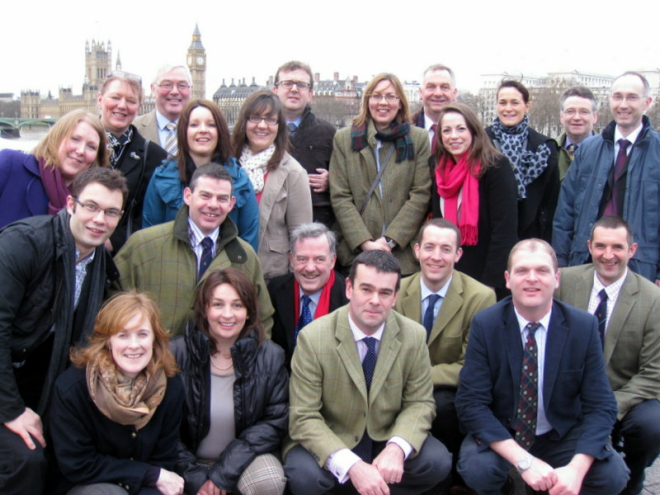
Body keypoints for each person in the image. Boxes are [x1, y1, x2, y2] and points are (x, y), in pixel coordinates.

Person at [455, 239, 629, 495]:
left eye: (542, 271)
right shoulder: (486, 324)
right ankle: (506, 486)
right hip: (505, 430)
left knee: (612, 475)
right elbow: (471, 403)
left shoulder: (583, 326)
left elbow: (601, 405)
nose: (532, 279)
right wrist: (524, 462)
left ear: (557, 278)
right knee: (478, 468)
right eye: (522, 271)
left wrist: (576, 471)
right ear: (507, 278)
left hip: (560, 432)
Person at [0, 168, 127, 495]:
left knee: (70, 455)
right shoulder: (23, 244)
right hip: (8, 381)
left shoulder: (100, 266)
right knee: (26, 461)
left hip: (43, 379)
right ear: (70, 204)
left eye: (111, 212)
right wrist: (11, 410)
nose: (100, 219)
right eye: (91, 207)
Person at [283, 250, 451, 495]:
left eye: (385, 293)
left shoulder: (413, 336)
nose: (375, 300)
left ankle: (378, 489)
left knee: (437, 461)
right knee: (304, 475)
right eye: (366, 289)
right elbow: (303, 417)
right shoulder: (314, 338)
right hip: (333, 436)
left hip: (384, 437)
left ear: (395, 297)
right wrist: (352, 466)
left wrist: (396, 448)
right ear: (349, 288)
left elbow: (420, 403)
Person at [555, 216, 660, 495]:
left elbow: (654, 373)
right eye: (600, 246)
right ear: (589, 246)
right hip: (570, 393)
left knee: (653, 423)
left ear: (632, 250)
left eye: (617, 247)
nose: (608, 255)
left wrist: (610, 406)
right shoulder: (563, 281)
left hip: (623, 394)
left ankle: (634, 477)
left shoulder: (652, 299)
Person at [115, 163, 274, 337]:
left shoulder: (244, 256)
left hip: (220, 362)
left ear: (231, 204)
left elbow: (262, 319)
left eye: (222, 198)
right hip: (154, 359)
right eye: (205, 196)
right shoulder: (144, 245)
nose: (213, 205)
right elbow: (114, 303)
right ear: (188, 196)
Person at [49, 292, 184, 495]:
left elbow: (164, 457)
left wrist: (150, 477)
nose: (134, 345)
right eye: (123, 335)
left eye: (142, 334)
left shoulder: (170, 386)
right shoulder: (73, 389)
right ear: (108, 341)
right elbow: (78, 464)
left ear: (155, 338)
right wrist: (146, 473)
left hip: (146, 485)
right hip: (87, 484)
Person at [395, 219, 495, 487]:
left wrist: (420, 376)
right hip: (399, 387)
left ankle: (454, 479)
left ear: (458, 254)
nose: (436, 257)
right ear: (416, 250)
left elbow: (472, 366)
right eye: (429, 247)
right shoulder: (397, 292)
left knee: (443, 404)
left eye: (445, 249)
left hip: (449, 390)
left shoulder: (481, 297)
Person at [173, 268, 288, 495]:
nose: (228, 314)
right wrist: (196, 479)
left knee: (269, 480)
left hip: (244, 459)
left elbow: (274, 421)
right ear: (204, 308)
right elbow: (163, 427)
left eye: (237, 305)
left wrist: (223, 473)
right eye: (218, 304)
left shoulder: (270, 356)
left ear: (249, 311)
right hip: (186, 461)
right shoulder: (175, 353)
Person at [553, 71, 660, 286]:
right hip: (584, 262)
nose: (623, 104)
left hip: (641, 268)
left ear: (647, 102)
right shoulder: (587, 150)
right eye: (617, 96)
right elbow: (565, 214)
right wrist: (561, 262)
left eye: (631, 97)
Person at [330, 73, 431, 276]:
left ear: (400, 103)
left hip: (402, 254)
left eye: (390, 97)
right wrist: (365, 243)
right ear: (367, 101)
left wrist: (389, 240)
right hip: (356, 252)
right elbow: (340, 196)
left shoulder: (418, 138)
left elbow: (420, 194)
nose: (382, 102)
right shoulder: (344, 139)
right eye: (376, 96)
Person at [142, 99, 259, 251]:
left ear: (220, 131)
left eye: (211, 125)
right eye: (194, 125)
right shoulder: (162, 177)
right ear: (184, 131)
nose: (203, 130)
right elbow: (149, 237)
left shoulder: (239, 179)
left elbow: (248, 238)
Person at [431, 103, 518, 296]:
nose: (453, 136)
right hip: (448, 273)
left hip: (485, 276)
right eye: (447, 130)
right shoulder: (437, 168)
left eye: (461, 129)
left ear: (474, 131)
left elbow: (504, 230)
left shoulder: (495, 167)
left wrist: (490, 283)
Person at [232, 89, 312, 281]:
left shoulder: (293, 172)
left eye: (270, 119)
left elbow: (302, 239)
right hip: (226, 271)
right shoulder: (228, 163)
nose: (262, 125)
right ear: (244, 122)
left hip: (270, 278)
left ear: (279, 126)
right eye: (255, 118)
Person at [0, 109, 109, 229]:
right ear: (57, 137)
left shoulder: (91, 201)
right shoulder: (11, 164)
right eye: (75, 139)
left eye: (91, 146)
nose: (81, 151)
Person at [97, 72, 168, 253]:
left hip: (123, 255)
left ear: (139, 107)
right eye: (115, 97)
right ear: (100, 100)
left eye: (130, 100)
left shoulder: (154, 156)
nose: (122, 105)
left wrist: (114, 241)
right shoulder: (78, 145)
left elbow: (151, 213)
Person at [486, 80, 559, 243]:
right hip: (490, 235)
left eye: (515, 102)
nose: (508, 108)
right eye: (502, 103)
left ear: (527, 106)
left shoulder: (544, 147)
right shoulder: (480, 142)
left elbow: (551, 201)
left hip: (532, 235)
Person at [268, 222, 348, 367]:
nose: (310, 268)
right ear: (291, 260)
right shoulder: (275, 290)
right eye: (302, 259)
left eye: (319, 259)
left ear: (332, 261)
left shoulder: (348, 298)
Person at [273, 61, 336, 228]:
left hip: (317, 224)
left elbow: (347, 181)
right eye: (287, 83)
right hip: (273, 223)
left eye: (301, 85)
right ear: (275, 90)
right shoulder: (262, 132)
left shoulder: (328, 133)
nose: (294, 89)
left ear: (310, 94)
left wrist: (333, 180)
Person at [134, 64, 193, 155]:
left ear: (190, 90)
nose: (174, 91)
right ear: (153, 90)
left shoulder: (202, 131)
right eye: (167, 85)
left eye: (182, 85)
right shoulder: (133, 128)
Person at [556, 86, 598, 180]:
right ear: (561, 117)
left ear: (595, 117)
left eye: (584, 112)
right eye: (570, 111)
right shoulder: (548, 150)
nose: (577, 117)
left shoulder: (609, 152)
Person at [412, 64, 458, 148]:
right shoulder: (404, 131)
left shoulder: (469, 135)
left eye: (444, 87)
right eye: (431, 87)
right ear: (421, 93)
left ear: (454, 94)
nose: (438, 93)